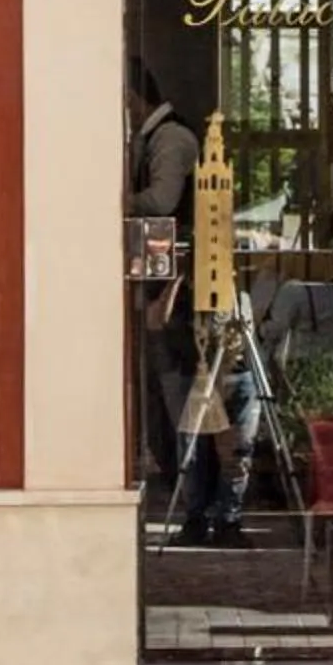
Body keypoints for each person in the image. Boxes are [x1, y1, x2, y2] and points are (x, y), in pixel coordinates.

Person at [126, 70, 256, 545]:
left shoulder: (173, 138)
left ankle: (219, 511)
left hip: (192, 304)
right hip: (181, 303)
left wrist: (112, 199)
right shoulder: (161, 138)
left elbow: (162, 201)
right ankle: (203, 512)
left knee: (206, 411)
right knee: (185, 411)